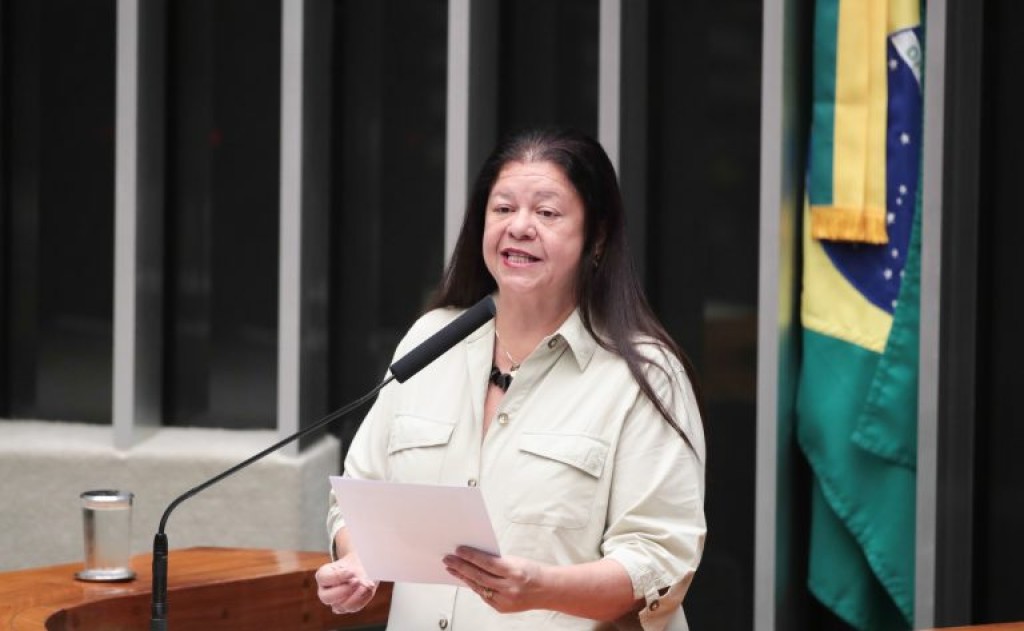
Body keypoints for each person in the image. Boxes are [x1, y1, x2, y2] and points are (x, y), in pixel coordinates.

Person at [315, 127, 706, 630]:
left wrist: (542, 588)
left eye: (547, 213)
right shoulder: (430, 340)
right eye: (503, 208)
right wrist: (359, 559)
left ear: (597, 237)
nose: (519, 227)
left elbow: (659, 562)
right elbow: (357, 495)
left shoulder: (643, 376)